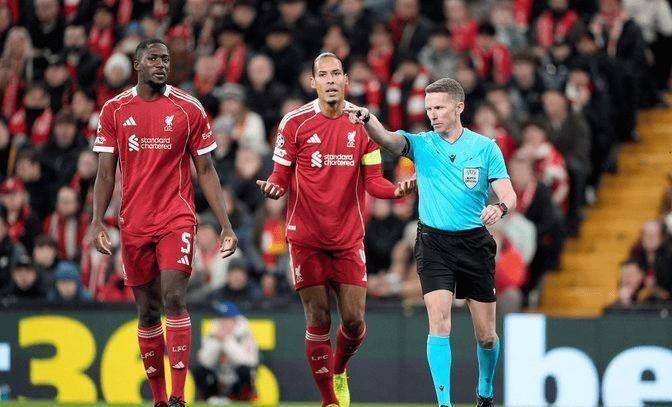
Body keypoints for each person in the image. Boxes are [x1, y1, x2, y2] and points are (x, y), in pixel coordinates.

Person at [256, 52, 416, 407]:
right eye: (323, 75)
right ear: (313, 82)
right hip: (305, 238)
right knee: (318, 318)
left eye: (336, 74)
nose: (330, 80)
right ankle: (329, 400)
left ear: (346, 80)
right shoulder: (294, 123)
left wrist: (396, 190)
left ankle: (339, 369)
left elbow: (374, 181)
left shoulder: (363, 123)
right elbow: (280, 175)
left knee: (355, 322)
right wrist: (275, 187)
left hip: (347, 239)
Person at [344, 77, 517, 407]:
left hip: (474, 244)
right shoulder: (422, 144)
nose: (433, 114)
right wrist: (368, 120)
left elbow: (508, 193)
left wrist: (499, 207)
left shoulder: (485, 148)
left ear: (459, 107)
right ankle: (444, 404)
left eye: (439, 107)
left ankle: (485, 392)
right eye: (429, 109)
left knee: (486, 336)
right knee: (439, 321)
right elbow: (388, 139)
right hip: (433, 242)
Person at [88, 39, 238, 407]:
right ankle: (158, 399)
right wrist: (96, 221)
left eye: (166, 59)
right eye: (153, 58)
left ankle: (177, 396)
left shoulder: (188, 108)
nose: (161, 64)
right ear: (137, 63)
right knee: (148, 310)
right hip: (134, 222)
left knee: (173, 297)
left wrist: (225, 224)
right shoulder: (115, 110)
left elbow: (206, 169)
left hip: (176, 217)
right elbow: (105, 174)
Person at [192, 301, 259, 403]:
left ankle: (240, 399)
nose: (223, 322)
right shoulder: (212, 335)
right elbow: (204, 362)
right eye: (221, 318)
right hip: (218, 379)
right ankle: (210, 399)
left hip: (236, 380)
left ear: (235, 320)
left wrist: (228, 341)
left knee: (245, 371)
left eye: (226, 319)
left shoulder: (246, 336)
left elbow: (250, 362)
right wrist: (217, 342)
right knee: (199, 371)